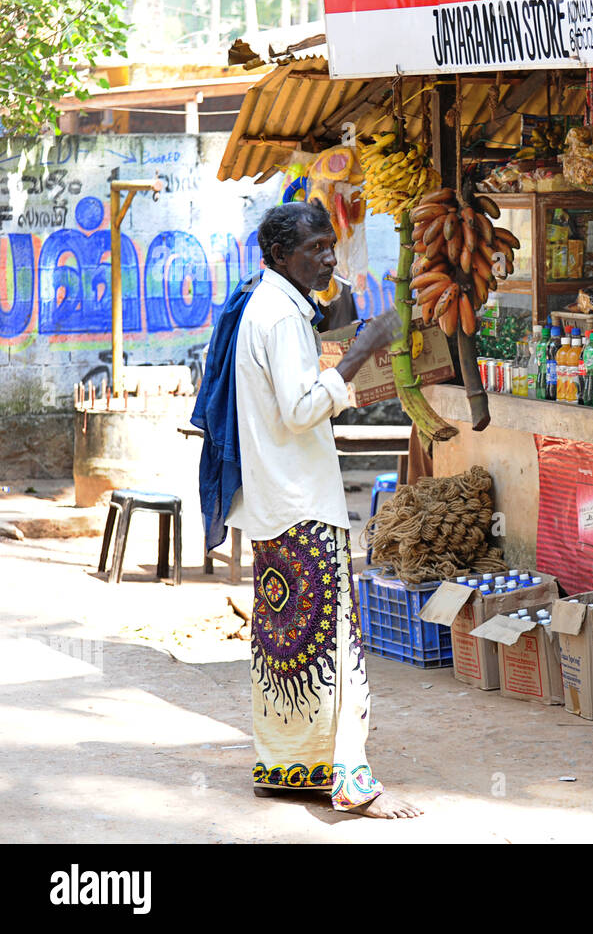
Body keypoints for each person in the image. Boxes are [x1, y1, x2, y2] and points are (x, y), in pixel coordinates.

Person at [221, 201, 419, 819]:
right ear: (280, 256)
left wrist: (330, 329)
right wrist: (361, 351)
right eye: (314, 249)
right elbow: (301, 409)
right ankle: (351, 780)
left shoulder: (276, 306)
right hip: (302, 503)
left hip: (277, 502)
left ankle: (290, 765)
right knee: (332, 642)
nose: (329, 257)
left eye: (331, 245)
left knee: (288, 644)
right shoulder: (279, 317)